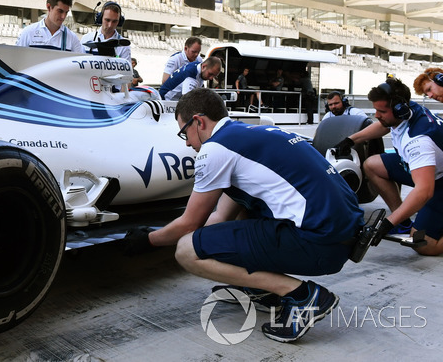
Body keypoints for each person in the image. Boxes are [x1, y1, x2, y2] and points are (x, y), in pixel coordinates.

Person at [124, 88, 363, 343]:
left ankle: (304, 296)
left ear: (199, 121)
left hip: (321, 244)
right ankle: (261, 288)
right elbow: (218, 220)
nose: (186, 143)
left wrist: (148, 240)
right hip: (342, 237)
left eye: (184, 133)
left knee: (186, 250)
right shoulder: (247, 136)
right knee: (238, 218)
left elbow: (189, 223)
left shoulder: (215, 149)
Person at [335, 77, 443, 256]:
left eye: (381, 111)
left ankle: (402, 219)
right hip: (425, 169)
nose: (376, 115)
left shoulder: (419, 141)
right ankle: (403, 222)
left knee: (423, 245)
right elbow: (384, 125)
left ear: (399, 110)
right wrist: (351, 140)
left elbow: (424, 191)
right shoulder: (407, 110)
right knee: (372, 165)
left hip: (438, 182)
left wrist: (388, 222)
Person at [16, 0, 84, 52]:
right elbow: (17, 59)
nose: (63, 16)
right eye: (60, 11)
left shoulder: (72, 38)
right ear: (49, 7)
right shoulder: (28, 32)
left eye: (66, 12)